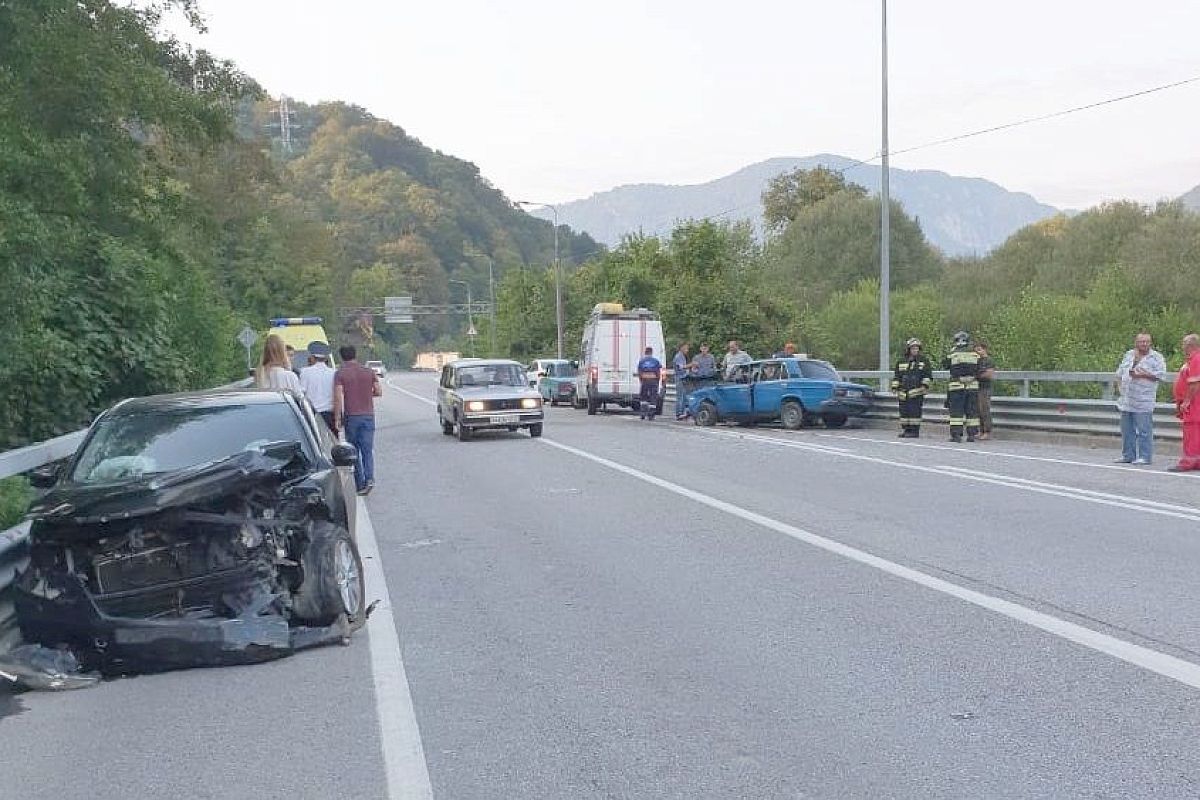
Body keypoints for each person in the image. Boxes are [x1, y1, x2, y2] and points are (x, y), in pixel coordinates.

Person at [334, 344, 382, 495]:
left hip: (351, 416)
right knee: (367, 450)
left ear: (342, 357)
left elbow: (338, 397)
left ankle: (360, 483)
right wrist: (367, 394)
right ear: (355, 355)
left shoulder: (340, 374)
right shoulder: (369, 372)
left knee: (354, 451)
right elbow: (379, 391)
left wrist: (337, 417)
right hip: (368, 415)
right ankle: (370, 478)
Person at [1115, 332, 1166, 464]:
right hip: (1127, 399)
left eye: (1147, 341)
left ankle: (1145, 456)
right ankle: (1128, 455)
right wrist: (1120, 387)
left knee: (1144, 430)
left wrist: (1143, 375)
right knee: (1127, 430)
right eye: (1141, 341)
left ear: (1150, 343)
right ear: (1136, 342)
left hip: (1144, 399)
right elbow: (1120, 373)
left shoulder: (1156, 357)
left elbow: (1161, 375)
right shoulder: (1129, 355)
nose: (1144, 344)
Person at [1169, 333, 1200, 472]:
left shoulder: (1196, 359)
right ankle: (1197, 461)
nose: (1182, 347)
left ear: (1190, 345)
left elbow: (1195, 383)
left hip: (1194, 404)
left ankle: (1187, 462)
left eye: (1184, 344)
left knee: (1191, 433)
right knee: (1195, 433)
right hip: (1193, 403)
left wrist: (1186, 401)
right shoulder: (1191, 360)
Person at [943, 330, 981, 443]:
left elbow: (945, 365)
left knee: (956, 413)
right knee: (972, 412)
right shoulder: (975, 353)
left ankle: (956, 435)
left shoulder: (953, 353)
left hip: (957, 386)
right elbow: (979, 368)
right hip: (972, 387)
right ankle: (972, 435)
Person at [891, 338, 933, 438]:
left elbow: (927, 375)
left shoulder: (924, 361)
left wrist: (924, 386)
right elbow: (897, 376)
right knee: (904, 412)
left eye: (917, 348)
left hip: (916, 392)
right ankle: (906, 430)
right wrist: (895, 387)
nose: (915, 350)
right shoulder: (901, 361)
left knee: (915, 411)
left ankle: (914, 431)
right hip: (903, 392)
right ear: (908, 349)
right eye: (913, 348)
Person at [299, 340, 338, 437]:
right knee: (332, 442)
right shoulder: (333, 372)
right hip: (329, 414)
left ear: (312, 357)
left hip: (312, 414)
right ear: (326, 358)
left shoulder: (305, 372)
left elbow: (301, 393)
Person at [974, 341, 997, 441]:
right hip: (976, 387)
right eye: (976, 350)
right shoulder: (977, 361)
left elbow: (989, 374)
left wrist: (977, 376)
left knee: (985, 409)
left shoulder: (989, 361)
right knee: (978, 410)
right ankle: (981, 430)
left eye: (979, 349)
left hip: (985, 388)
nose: (978, 352)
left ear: (984, 349)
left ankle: (987, 431)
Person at [635, 346, 663, 421]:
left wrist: (641, 381)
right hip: (653, 381)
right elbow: (658, 372)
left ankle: (643, 413)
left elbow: (639, 372)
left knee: (643, 397)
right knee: (653, 397)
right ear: (651, 352)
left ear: (645, 352)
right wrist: (657, 381)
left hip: (644, 380)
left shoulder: (641, 361)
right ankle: (651, 415)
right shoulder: (656, 361)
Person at [672, 342, 693, 420]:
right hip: (679, 378)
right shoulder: (678, 356)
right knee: (680, 396)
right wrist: (691, 365)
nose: (687, 350)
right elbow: (681, 367)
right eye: (686, 348)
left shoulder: (683, 357)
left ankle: (683, 412)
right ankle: (679, 413)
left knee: (684, 396)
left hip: (683, 378)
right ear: (681, 348)